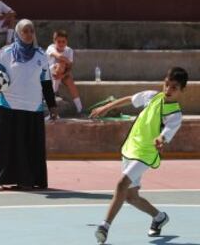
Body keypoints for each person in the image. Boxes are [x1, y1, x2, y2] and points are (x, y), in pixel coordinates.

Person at [90, 67, 188, 244]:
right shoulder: (152, 96)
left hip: (146, 153)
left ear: (182, 90)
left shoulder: (175, 114)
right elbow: (130, 99)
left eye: (174, 87)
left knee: (121, 184)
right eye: (167, 84)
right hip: (131, 147)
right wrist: (106, 107)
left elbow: (166, 132)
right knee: (130, 196)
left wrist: (161, 139)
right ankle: (159, 217)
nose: (168, 89)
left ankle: (104, 227)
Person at [0, 19, 58, 191]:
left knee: (31, 147)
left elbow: (46, 83)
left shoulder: (41, 56)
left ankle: (29, 180)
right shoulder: (6, 52)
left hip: (34, 108)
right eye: (25, 31)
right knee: (6, 146)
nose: (29, 34)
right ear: (17, 33)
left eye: (31, 31)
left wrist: (52, 107)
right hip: (9, 106)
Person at [46, 30, 83, 114]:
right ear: (54, 41)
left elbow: (69, 68)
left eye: (63, 41)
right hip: (49, 73)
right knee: (61, 64)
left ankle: (80, 108)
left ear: (67, 42)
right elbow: (59, 56)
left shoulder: (69, 50)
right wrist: (68, 62)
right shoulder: (50, 48)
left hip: (62, 74)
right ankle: (54, 92)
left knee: (69, 80)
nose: (61, 44)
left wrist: (62, 76)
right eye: (59, 41)